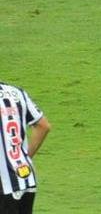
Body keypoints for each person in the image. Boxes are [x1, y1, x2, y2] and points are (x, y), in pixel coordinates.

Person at [0, 81, 50, 214]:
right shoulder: (16, 92)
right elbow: (43, 126)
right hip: (26, 176)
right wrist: (25, 157)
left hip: (3, 184)